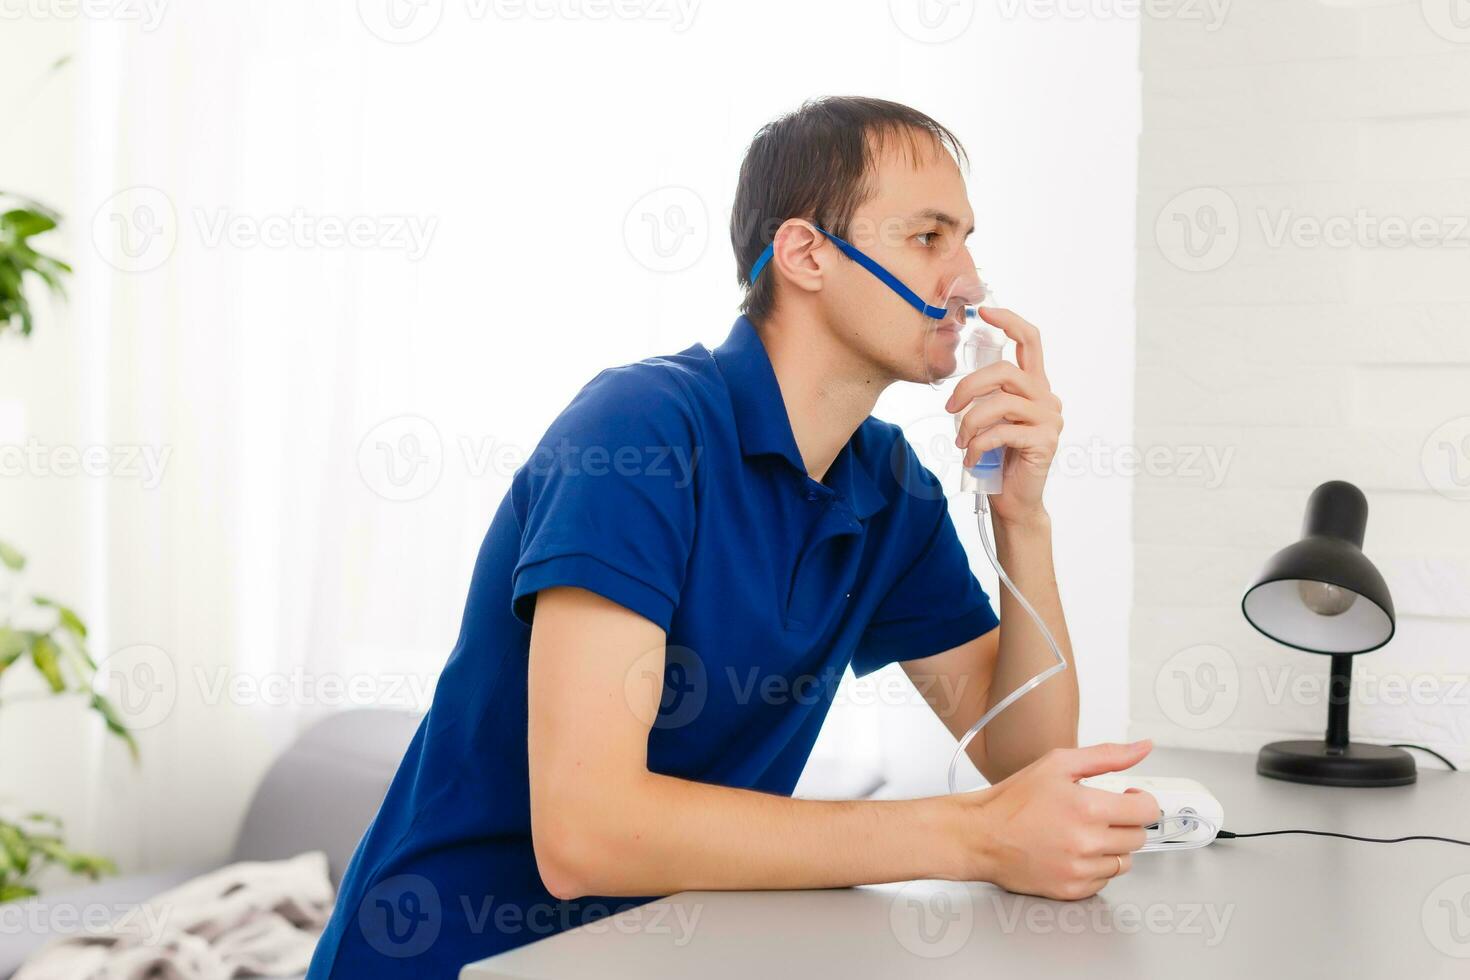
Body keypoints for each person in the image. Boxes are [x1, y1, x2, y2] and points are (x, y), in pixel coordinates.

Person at [306, 95, 1159, 978]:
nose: (971, 281)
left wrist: (1023, 516)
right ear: (805, 254)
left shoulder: (888, 484)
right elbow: (586, 834)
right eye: (929, 238)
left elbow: (1020, 752)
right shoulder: (637, 433)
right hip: (453, 956)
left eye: (968, 240)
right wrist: (970, 839)